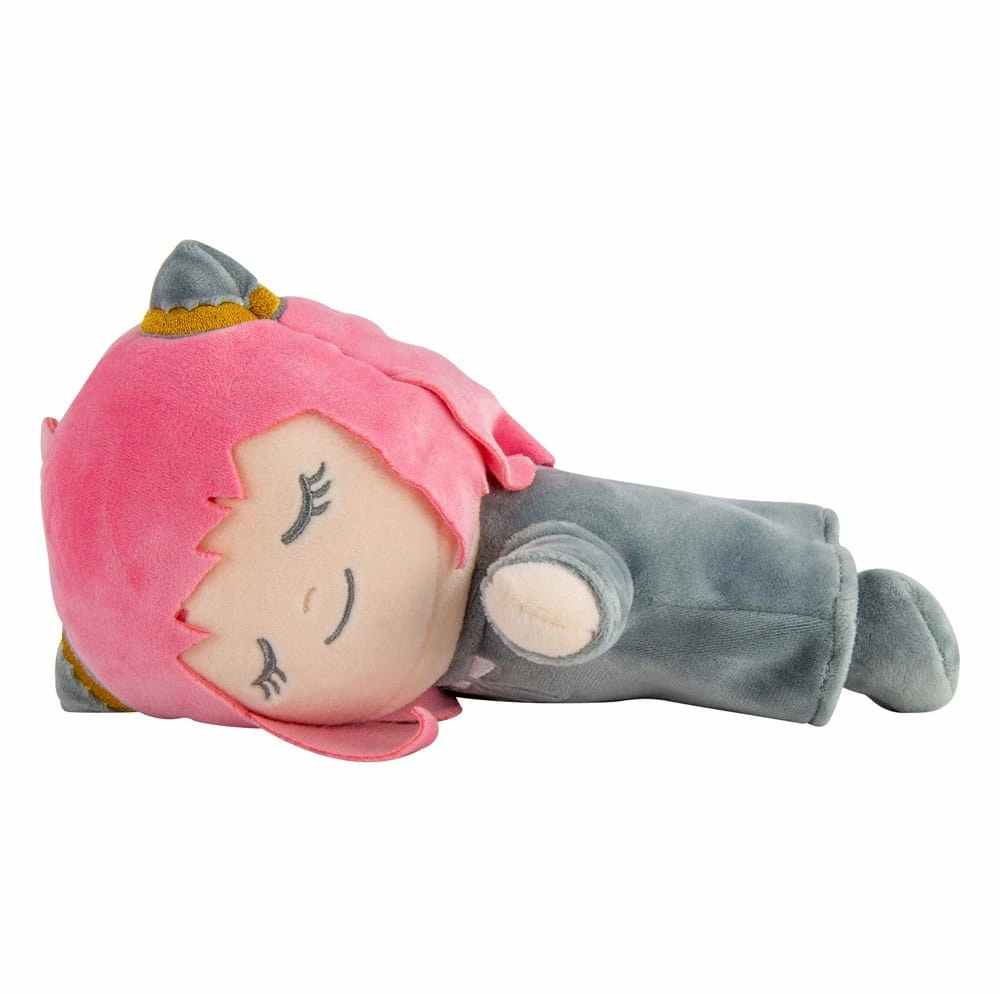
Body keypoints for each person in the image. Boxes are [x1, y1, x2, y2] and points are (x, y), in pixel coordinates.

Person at [41, 242, 959, 761]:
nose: (316, 599)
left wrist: (570, 583)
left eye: (311, 504)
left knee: (672, 570)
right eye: (270, 667)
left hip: (558, 562)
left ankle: (846, 619)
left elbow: (632, 563)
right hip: (489, 646)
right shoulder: (423, 657)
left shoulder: (490, 524)